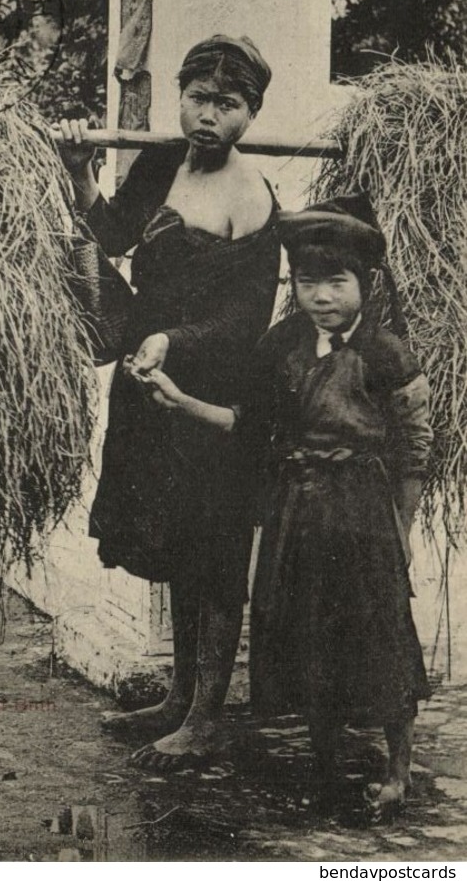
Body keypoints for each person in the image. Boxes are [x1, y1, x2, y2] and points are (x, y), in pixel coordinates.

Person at [142, 195, 433, 815]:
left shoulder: (387, 353)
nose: (322, 296)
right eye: (307, 282)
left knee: (378, 638)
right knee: (309, 638)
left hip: (363, 518)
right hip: (296, 516)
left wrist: (401, 527)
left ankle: (397, 774)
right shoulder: (282, 347)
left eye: (336, 281)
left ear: (365, 282)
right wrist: (180, 400)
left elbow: (414, 449)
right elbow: (248, 425)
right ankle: (324, 770)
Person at [55, 35, 281, 769]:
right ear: (178, 95)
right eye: (197, 97)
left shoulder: (251, 197)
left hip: (210, 392)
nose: (207, 115)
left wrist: (171, 342)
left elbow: (242, 322)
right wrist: (79, 175)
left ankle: (208, 717)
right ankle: (179, 696)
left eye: (227, 104)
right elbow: (114, 234)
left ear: (251, 112)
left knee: (213, 553)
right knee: (177, 541)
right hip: (149, 382)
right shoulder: (157, 161)